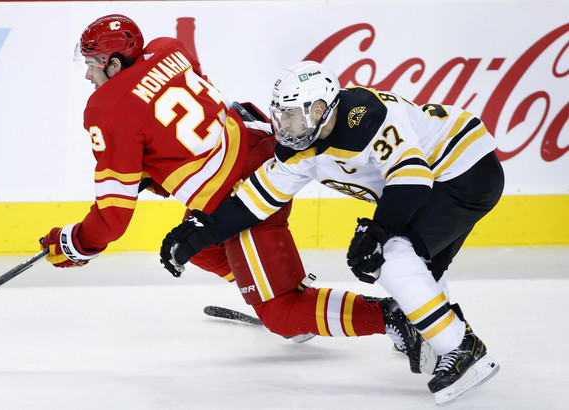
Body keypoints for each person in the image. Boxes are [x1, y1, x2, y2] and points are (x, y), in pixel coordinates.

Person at [39, 15, 432, 376]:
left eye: (93, 64)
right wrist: (155, 170)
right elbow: (197, 112)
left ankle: (388, 317)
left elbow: (113, 218)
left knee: (280, 314)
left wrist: (74, 244)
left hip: (241, 199)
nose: (88, 75)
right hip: (259, 147)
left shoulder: (105, 108)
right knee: (199, 247)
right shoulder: (167, 49)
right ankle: (269, 279)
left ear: (114, 63)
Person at [160, 60, 504, 405]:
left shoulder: (365, 118)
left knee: (391, 256)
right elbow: (255, 201)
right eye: (281, 114)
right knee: (416, 269)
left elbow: (412, 180)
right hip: (443, 178)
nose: (285, 124)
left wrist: (378, 232)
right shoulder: (301, 146)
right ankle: (430, 331)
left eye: (292, 114)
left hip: (464, 172)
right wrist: (197, 232)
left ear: (320, 109)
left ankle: (463, 349)